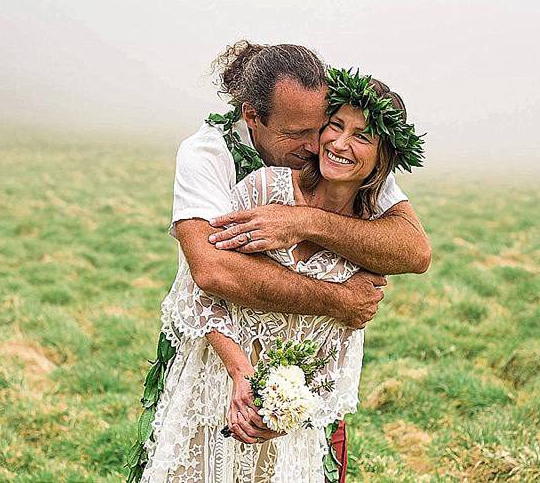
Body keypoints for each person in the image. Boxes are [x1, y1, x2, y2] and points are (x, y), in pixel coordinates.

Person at [129, 42, 430, 483]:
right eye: (297, 133)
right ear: (253, 116)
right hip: (218, 366)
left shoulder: (338, 158)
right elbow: (210, 273)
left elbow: (414, 250)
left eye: (320, 125)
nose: (317, 144)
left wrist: (304, 221)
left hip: (296, 399)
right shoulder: (210, 154)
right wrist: (337, 301)